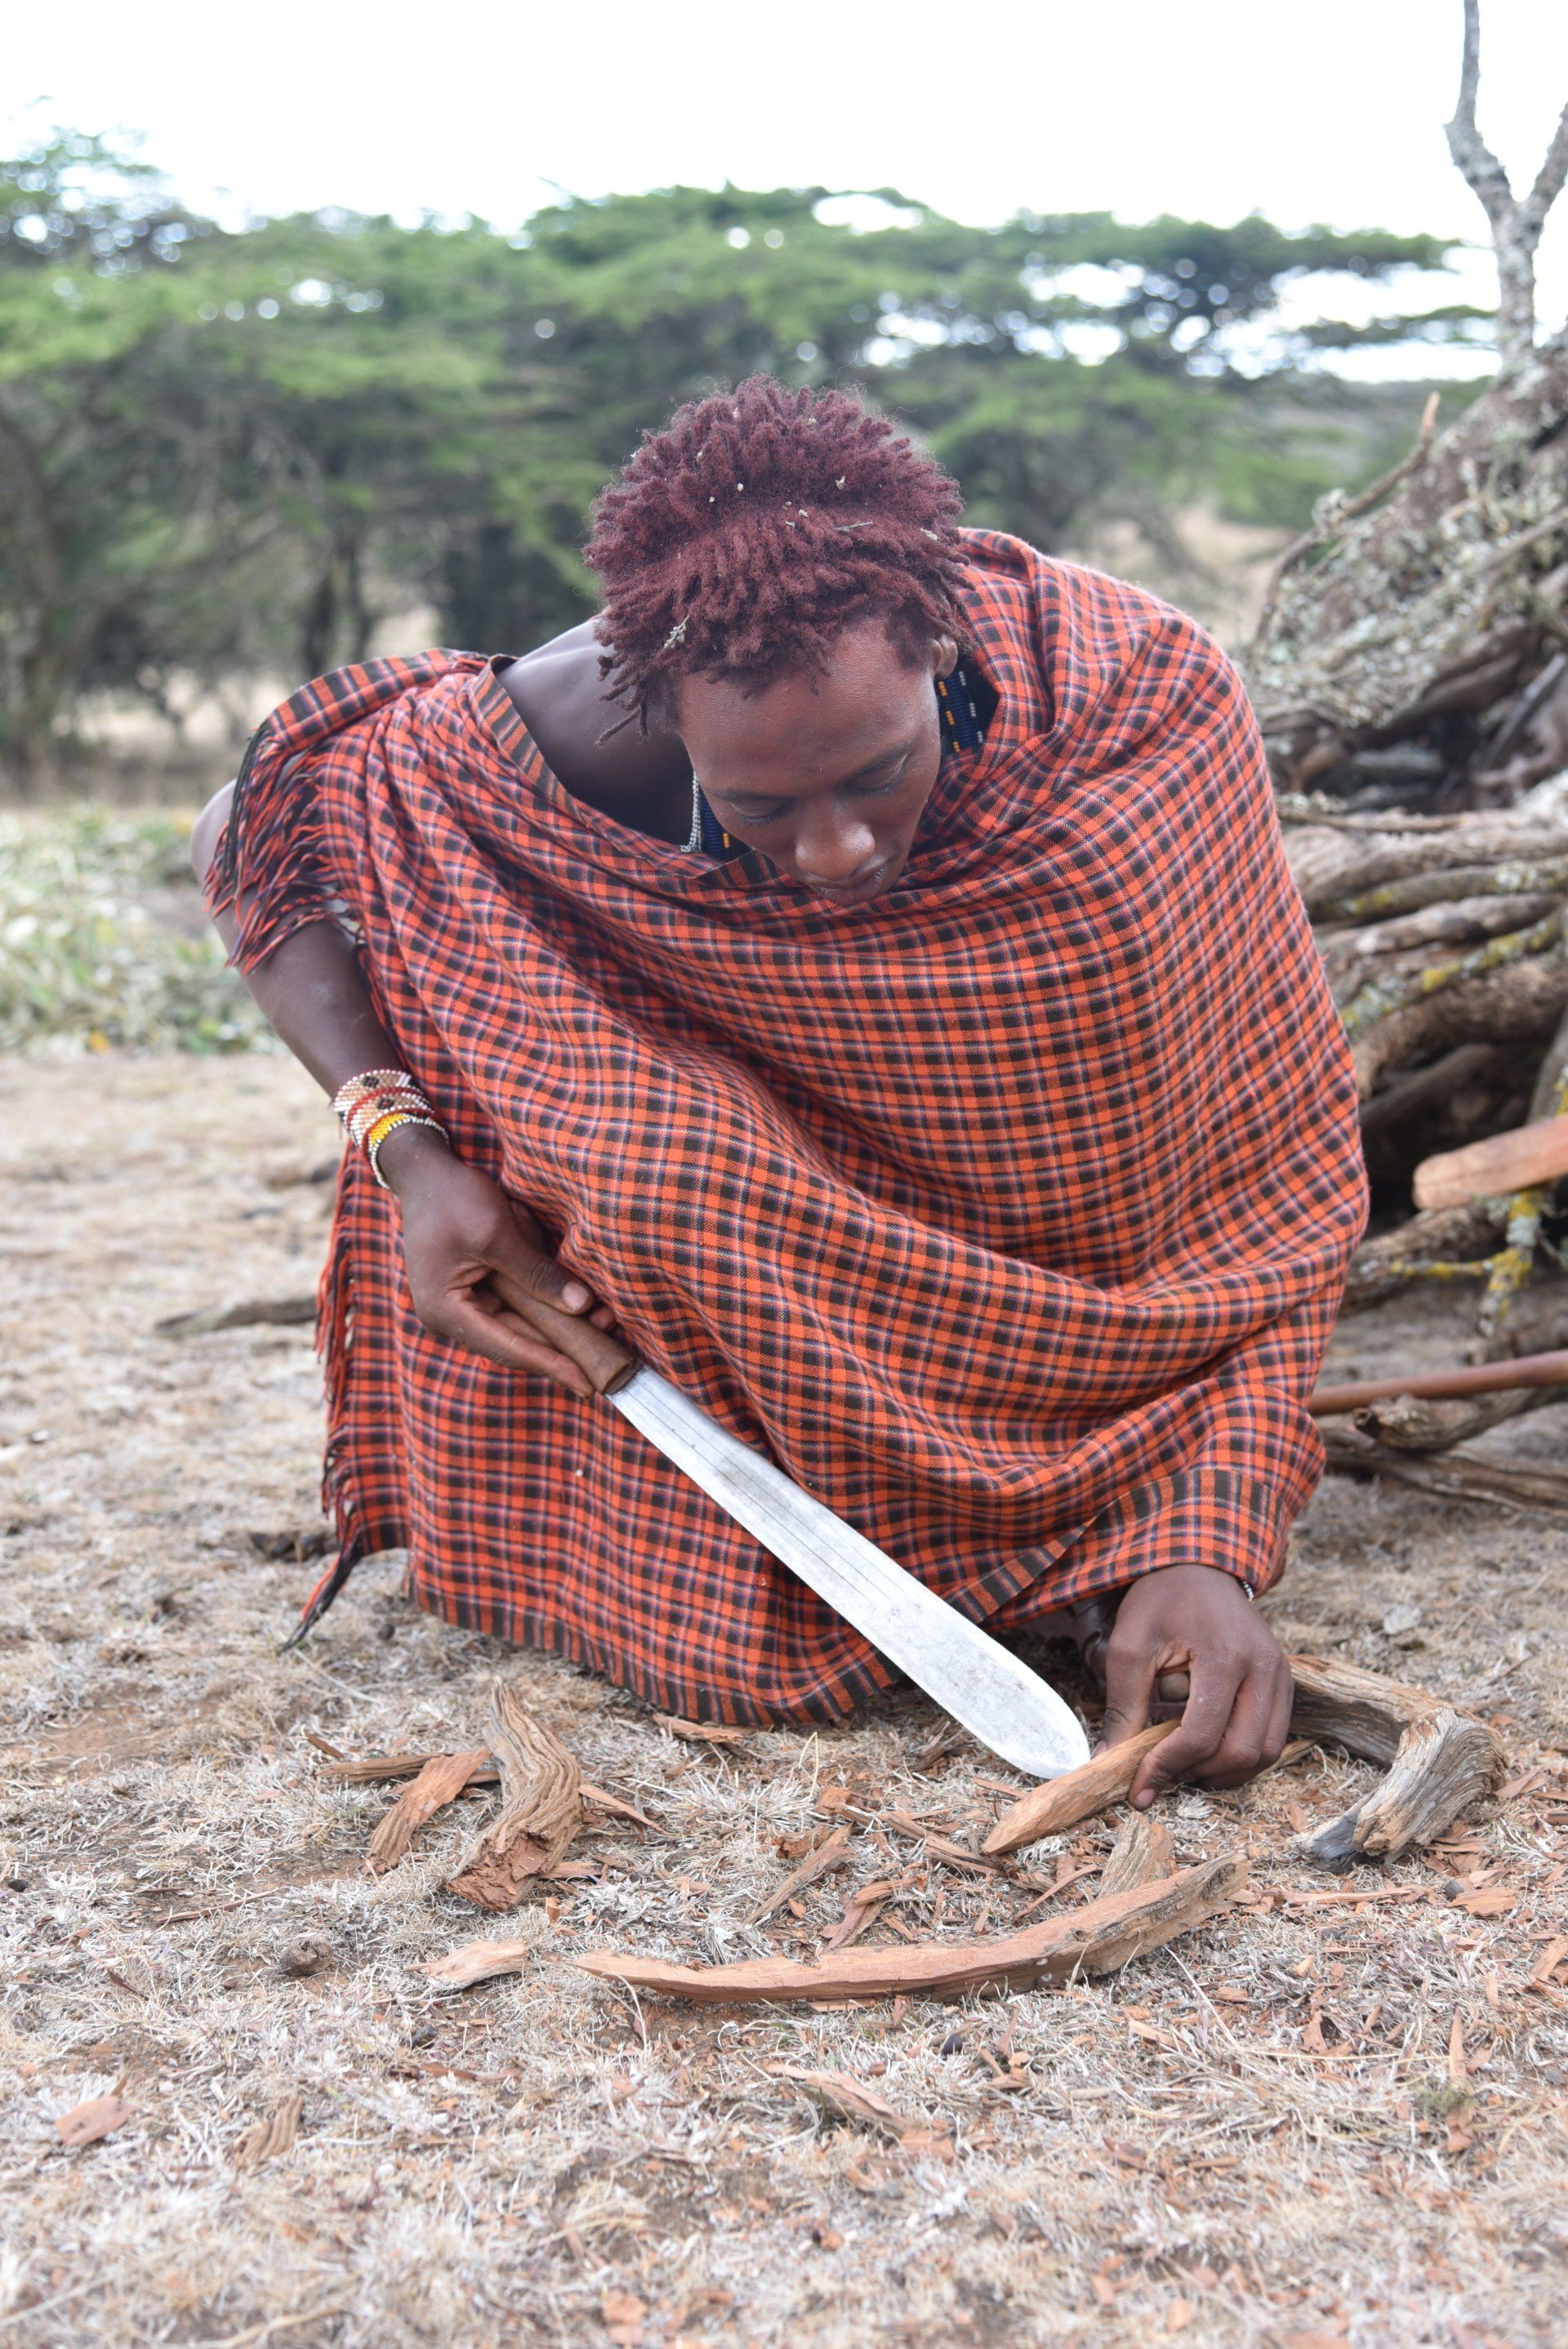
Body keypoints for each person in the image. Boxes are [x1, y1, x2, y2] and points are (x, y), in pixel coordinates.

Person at [193, 376, 1365, 1807]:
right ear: (659, 715)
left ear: (942, 648)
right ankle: (809, 1537)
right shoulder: (576, 719)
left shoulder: (1139, 705)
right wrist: (407, 1149)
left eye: (881, 772)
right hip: (759, 1299)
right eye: (760, 806)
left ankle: (1123, 1515)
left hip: (1112, 1323)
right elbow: (248, 823)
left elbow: (1263, 1177)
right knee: (651, 1165)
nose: (833, 851)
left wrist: (1207, 1526)